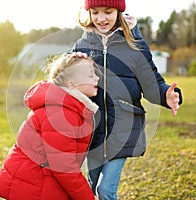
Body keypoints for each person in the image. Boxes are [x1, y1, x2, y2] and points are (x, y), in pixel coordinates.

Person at [72, 0, 183, 199]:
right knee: (88, 188)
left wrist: (167, 94)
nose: (101, 18)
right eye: (95, 12)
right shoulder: (82, 44)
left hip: (122, 130)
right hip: (92, 132)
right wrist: (72, 65)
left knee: (105, 190)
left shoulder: (134, 45)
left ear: (119, 11)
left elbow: (151, 84)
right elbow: (67, 80)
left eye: (108, 11)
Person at [0, 53, 100, 200]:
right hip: (33, 183)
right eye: (90, 76)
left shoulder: (68, 107)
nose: (97, 78)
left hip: (36, 178)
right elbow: (64, 168)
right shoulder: (61, 115)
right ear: (71, 84)